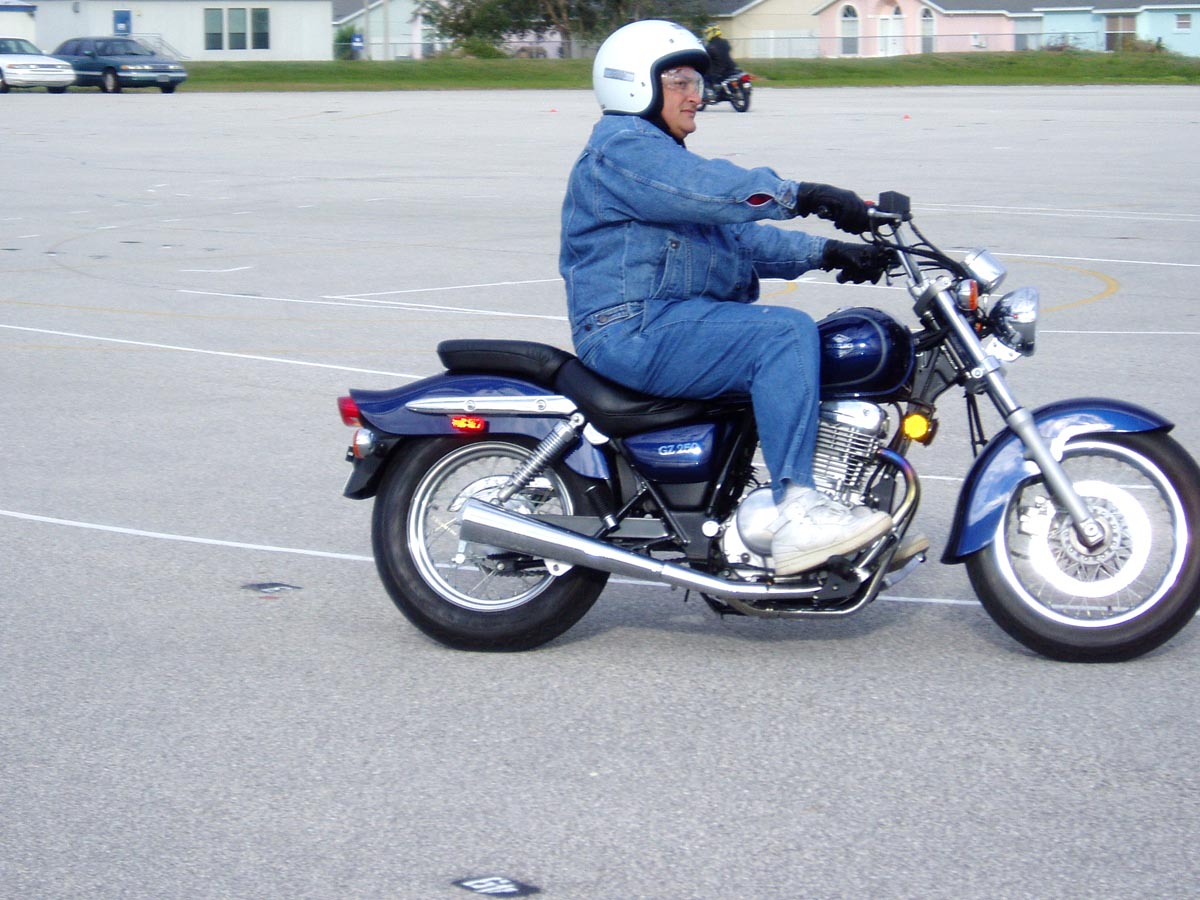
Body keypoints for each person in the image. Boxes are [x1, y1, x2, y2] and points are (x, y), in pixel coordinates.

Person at [559, 19, 895, 576]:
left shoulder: (657, 160)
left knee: (791, 341)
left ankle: (825, 510)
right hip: (630, 328)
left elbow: (739, 242)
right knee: (782, 333)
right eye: (680, 82)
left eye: (697, 82)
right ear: (635, 85)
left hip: (668, 320)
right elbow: (712, 189)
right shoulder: (624, 150)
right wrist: (804, 196)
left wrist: (832, 253)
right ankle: (797, 510)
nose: (697, 95)